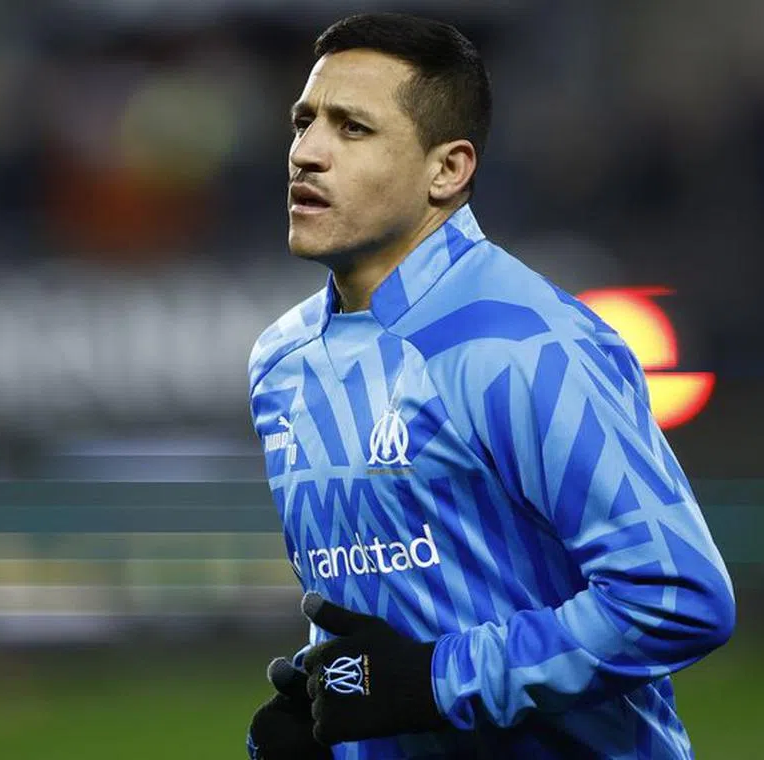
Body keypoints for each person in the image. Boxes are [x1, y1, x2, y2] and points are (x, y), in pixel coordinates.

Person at [246, 13, 735, 759]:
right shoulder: (282, 362)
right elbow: (377, 618)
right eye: (304, 121)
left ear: (448, 170)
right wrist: (327, 723)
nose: (306, 154)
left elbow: (676, 596)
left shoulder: (526, 342)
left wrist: (440, 683)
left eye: (352, 129)